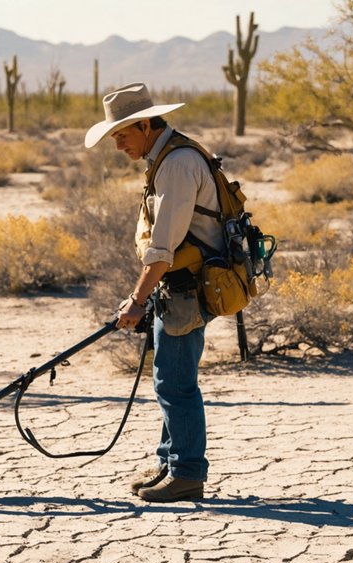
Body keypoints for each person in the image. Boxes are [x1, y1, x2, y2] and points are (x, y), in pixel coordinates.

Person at [85, 83, 224, 503]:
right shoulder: (168, 156)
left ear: (145, 125)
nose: (118, 145)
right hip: (179, 285)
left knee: (175, 383)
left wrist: (137, 299)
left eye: (122, 135)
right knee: (170, 378)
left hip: (187, 287)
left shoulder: (177, 165)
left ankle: (186, 474)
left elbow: (163, 247)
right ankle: (170, 462)